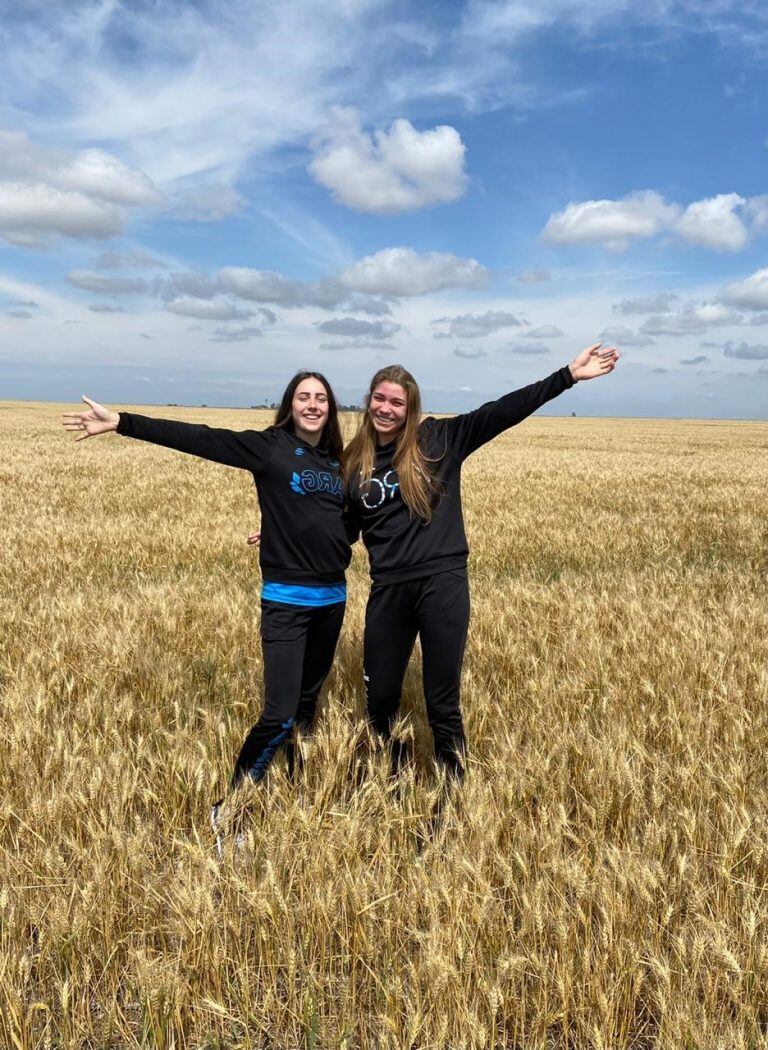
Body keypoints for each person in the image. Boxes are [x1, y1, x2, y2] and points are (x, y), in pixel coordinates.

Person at [62, 372, 352, 845]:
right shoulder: (269, 447)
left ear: (331, 407)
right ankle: (231, 810)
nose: (313, 404)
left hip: (333, 601)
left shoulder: (339, 462)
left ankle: (294, 794)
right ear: (290, 404)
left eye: (321, 398)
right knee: (278, 713)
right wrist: (122, 422)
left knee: (305, 709)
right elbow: (200, 439)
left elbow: (344, 521)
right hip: (286, 601)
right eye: (304, 396)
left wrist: (290, 531)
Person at [343, 342, 619, 783]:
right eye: (380, 398)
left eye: (397, 402)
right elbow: (342, 531)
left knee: (441, 702)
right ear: (368, 400)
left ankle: (453, 793)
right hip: (388, 589)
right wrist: (288, 533)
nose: (387, 408)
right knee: (380, 703)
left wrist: (567, 375)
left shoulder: (441, 439)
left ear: (410, 408)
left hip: (441, 584)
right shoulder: (353, 462)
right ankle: (392, 786)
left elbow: (503, 410)